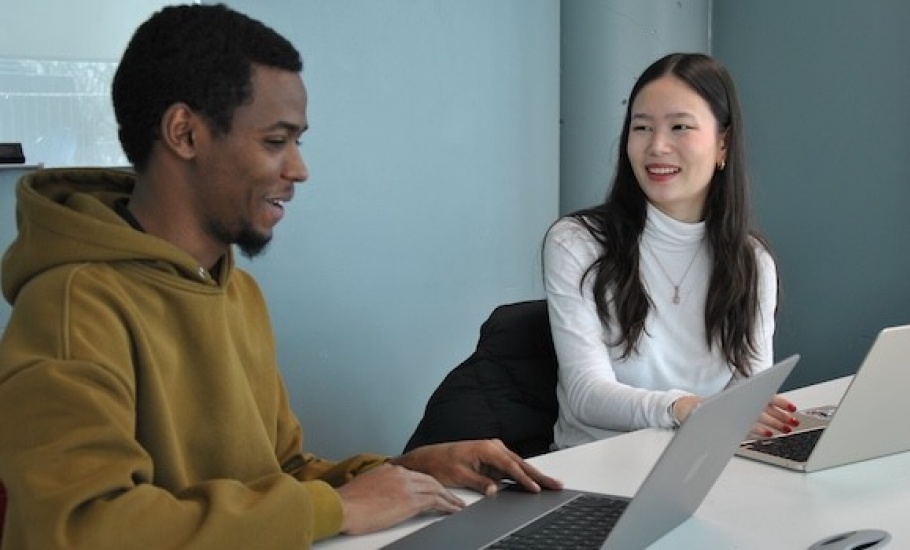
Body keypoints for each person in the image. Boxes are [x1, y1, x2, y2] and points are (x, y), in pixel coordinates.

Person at [0, 4, 561, 548]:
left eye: (298, 141)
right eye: (276, 141)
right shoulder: (72, 306)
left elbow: (282, 473)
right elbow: (83, 529)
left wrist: (404, 471)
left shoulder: (235, 290)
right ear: (184, 133)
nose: (299, 169)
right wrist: (336, 508)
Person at [543, 52, 801, 449]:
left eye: (680, 127)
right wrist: (685, 408)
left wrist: (737, 416)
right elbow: (585, 394)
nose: (657, 146)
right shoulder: (577, 242)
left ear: (723, 144)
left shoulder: (751, 261)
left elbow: (748, 397)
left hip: (698, 463)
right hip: (591, 471)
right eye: (641, 128)